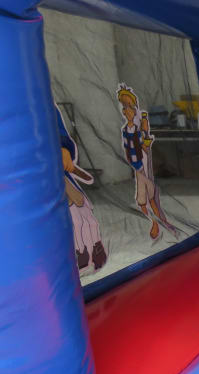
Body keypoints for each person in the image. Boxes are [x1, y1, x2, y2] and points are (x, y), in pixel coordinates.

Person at [117, 84, 177, 240]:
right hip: (137, 167)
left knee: (148, 197)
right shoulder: (126, 130)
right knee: (143, 200)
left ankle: (159, 223)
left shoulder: (138, 128)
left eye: (130, 106)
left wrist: (145, 134)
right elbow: (129, 148)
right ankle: (157, 222)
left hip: (143, 165)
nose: (128, 110)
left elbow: (144, 145)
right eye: (125, 107)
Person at [57, 104, 106, 272]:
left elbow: (63, 136)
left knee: (85, 216)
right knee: (76, 220)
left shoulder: (45, 107)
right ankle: (82, 251)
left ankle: (94, 248)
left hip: (63, 177)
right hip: (48, 181)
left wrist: (64, 148)